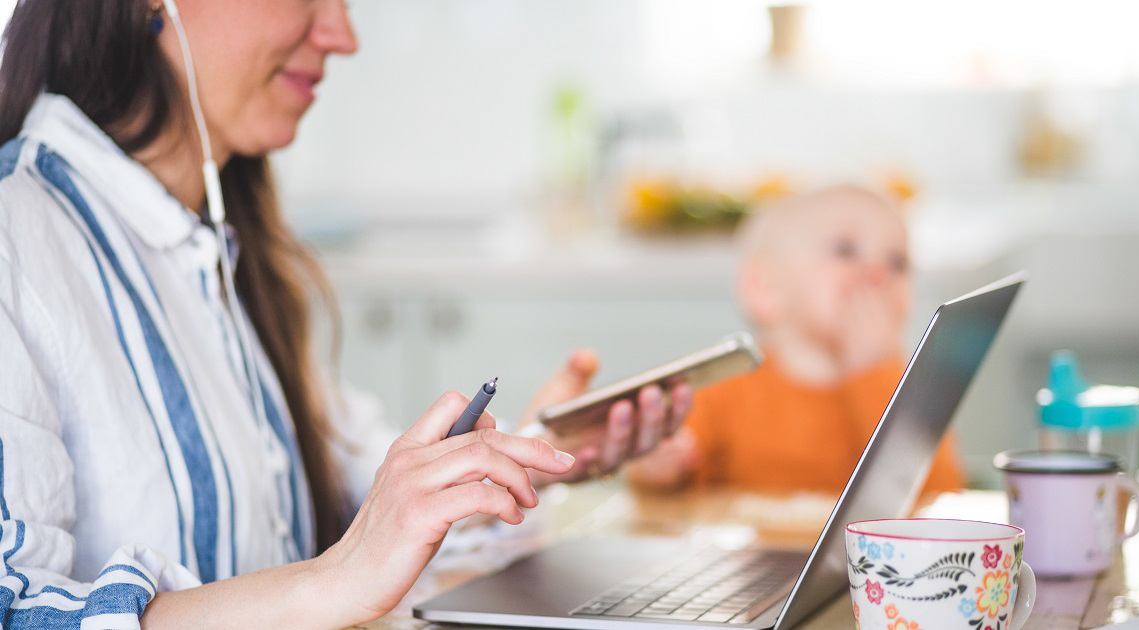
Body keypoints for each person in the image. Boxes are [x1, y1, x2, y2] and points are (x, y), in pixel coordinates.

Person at [0, 1, 689, 628]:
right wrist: (334, 580)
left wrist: (529, 459)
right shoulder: (15, 236)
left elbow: (364, 486)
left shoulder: (223, 251)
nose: (343, 35)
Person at [627, 184, 964, 498]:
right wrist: (659, 468)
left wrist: (875, 370)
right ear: (765, 288)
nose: (877, 272)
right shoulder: (727, 389)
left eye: (897, 262)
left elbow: (939, 500)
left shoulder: (908, 392)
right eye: (845, 250)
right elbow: (667, 490)